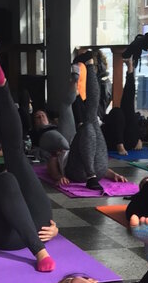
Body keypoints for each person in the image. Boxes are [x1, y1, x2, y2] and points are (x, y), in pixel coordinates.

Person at [0, 50, 59, 273]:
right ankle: (39, 253)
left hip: (37, 226)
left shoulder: (16, 184)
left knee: (15, 154)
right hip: (6, 238)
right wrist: (0, 200)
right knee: (8, 178)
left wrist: (56, 231)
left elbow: (48, 224)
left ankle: (1, 84)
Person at [46, 56, 127, 190]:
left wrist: (113, 175)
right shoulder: (60, 152)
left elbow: (97, 159)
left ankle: (88, 66)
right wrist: (58, 176)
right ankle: (89, 65)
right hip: (75, 171)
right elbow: (51, 165)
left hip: (98, 171)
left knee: (91, 120)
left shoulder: (78, 140)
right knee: (90, 122)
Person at [102, 57, 142, 156]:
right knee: (117, 112)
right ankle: (120, 145)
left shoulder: (103, 84)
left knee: (128, 106)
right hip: (112, 141)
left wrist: (138, 137)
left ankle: (130, 69)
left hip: (129, 141)